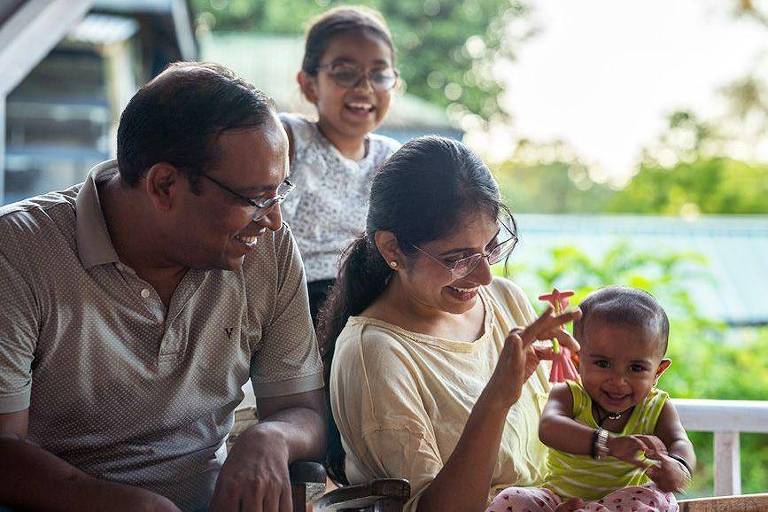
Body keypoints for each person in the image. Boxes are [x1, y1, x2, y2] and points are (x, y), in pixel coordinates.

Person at [0, 62, 325, 512]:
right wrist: (125, 505)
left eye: (279, 192)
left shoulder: (267, 248)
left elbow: (304, 410)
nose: (273, 219)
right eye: (256, 198)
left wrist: (271, 437)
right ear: (164, 184)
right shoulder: (18, 252)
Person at [320, 136, 582, 511]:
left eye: (491, 247)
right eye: (457, 257)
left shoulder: (506, 301)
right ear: (392, 249)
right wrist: (495, 401)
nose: (485, 277)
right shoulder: (374, 352)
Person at [487, 286, 695, 512]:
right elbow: (550, 427)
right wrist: (610, 444)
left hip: (624, 504)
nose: (618, 380)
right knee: (512, 499)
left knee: (657, 498)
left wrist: (678, 467)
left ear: (658, 372)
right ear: (577, 361)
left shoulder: (656, 407)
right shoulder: (569, 394)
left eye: (636, 368)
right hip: (560, 500)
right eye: (603, 364)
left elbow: (680, 442)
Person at [280, 6, 401, 324]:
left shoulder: (392, 159)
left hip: (370, 300)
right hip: (292, 299)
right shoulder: (288, 138)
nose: (364, 87)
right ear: (309, 84)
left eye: (379, 74)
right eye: (345, 72)